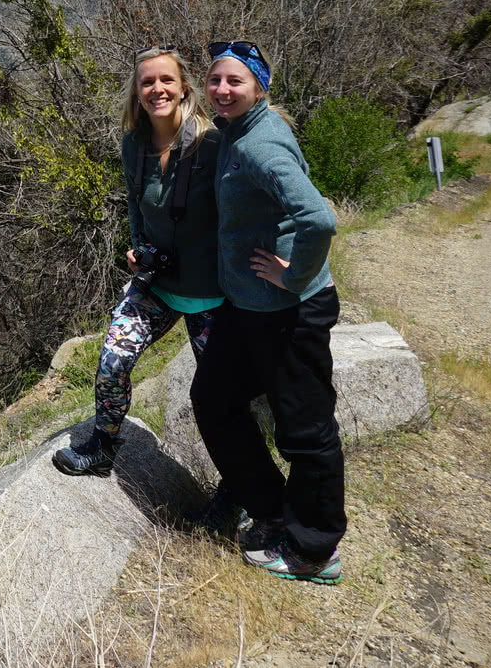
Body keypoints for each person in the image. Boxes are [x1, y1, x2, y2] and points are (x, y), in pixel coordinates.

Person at [191, 40, 345, 585]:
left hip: (288, 310)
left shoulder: (260, 145)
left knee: (304, 430)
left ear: (258, 86)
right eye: (215, 80)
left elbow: (318, 219)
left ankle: (314, 551)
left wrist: (294, 273)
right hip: (248, 309)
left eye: (235, 81)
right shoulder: (234, 135)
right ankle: (274, 509)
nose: (222, 89)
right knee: (213, 398)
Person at [53, 46, 224, 478]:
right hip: (158, 284)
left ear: (184, 85)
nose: (157, 89)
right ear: (137, 90)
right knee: (113, 361)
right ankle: (103, 446)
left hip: (211, 293)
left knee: (222, 396)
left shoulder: (213, 143)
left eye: (166, 79)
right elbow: (133, 200)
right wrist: (138, 245)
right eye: (147, 82)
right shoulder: (134, 144)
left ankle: (240, 488)